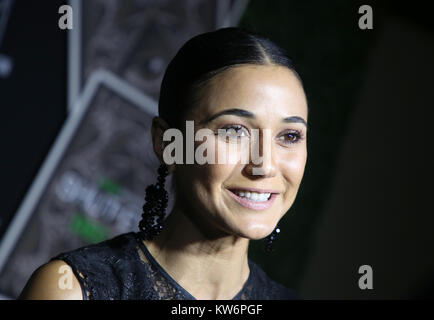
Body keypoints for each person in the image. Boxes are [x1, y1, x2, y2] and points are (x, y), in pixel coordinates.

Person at [19, 27, 308, 300]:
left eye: (290, 136)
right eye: (233, 131)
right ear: (168, 144)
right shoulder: (70, 291)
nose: (265, 166)